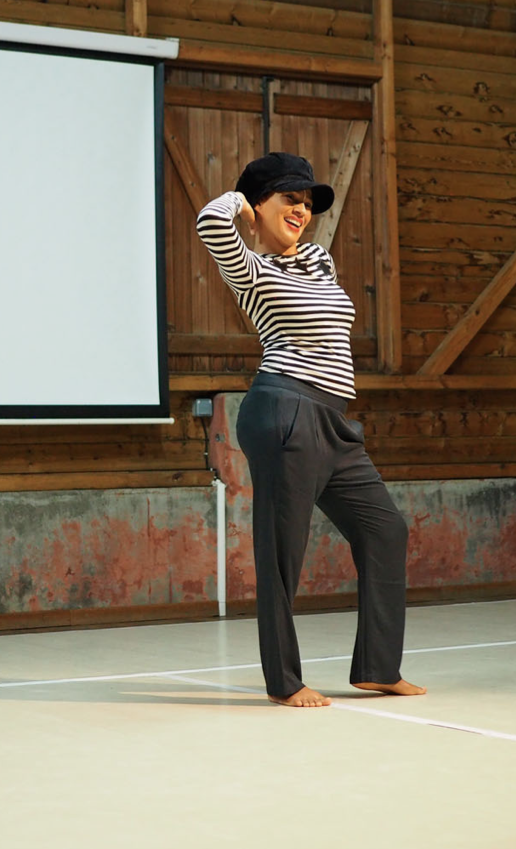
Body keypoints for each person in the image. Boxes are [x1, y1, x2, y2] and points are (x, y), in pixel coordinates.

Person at [196, 151, 426, 708]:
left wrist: (279, 216)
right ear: (256, 207)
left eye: (306, 203)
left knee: (385, 531)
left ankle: (377, 666)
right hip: (284, 410)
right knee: (283, 550)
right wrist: (241, 207)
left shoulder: (317, 260)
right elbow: (209, 220)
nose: (300, 211)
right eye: (288, 200)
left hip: (334, 419)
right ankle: (285, 680)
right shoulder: (249, 267)